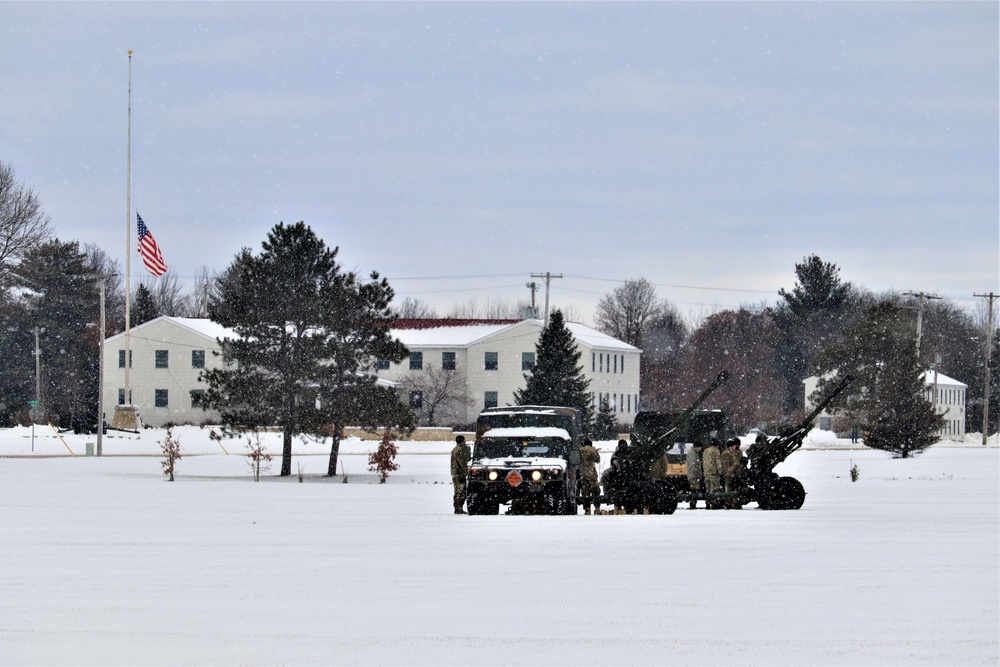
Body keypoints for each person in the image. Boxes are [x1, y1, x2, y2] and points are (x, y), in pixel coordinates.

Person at [579, 438, 601, 515]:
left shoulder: (580, 450)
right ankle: (597, 507)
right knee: (595, 491)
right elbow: (598, 460)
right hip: (592, 474)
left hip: (583, 474)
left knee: (585, 492)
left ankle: (587, 508)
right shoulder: (593, 450)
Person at [450, 435, 471, 514]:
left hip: (455, 473)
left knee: (457, 491)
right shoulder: (459, 450)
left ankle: (457, 508)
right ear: (462, 441)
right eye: (465, 441)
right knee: (461, 491)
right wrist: (466, 471)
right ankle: (459, 508)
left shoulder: (455, 449)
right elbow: (461, 462)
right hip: (459, 473)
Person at [720, 438, 742, 509]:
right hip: (728, 475)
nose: (735, 447)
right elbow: (725, 466)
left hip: (733, 475)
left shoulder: (731, 453)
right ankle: (728, 503)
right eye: (734, 446)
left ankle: (733, 503)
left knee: (733, 489)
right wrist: (731, 471)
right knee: (728, 489)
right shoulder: (726, 454)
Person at [702, 438, 722, 509]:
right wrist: (720, 471)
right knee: (714, 489)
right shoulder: (715, 451)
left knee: (707, 489)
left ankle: (707, 503)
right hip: (713, 473)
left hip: (706, 472)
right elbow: (718, 462)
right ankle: (713, 504)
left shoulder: (705, 450)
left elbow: (703, 461)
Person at [685, 441, 704, 509]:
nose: (700, 449)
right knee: (694, 490)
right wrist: (697, 474)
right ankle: (693, 504)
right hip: (693, 476)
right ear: (697, 447)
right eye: (700, 447)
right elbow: (693, 466)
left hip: (694, 475)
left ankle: (693, 504)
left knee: (694, 490)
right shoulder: (692, 454)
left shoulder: (694, 453)